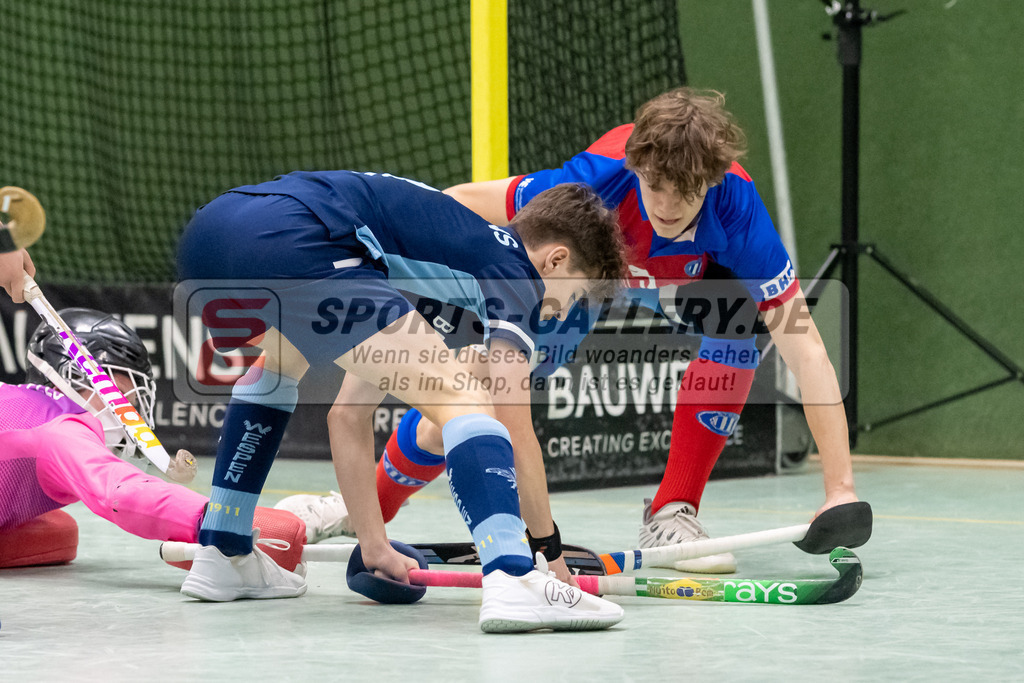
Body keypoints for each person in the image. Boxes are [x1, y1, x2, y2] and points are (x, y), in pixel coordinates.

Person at [278, 87, 860, 574]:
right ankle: (362, 511)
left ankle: (672, 512)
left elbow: (803, 344)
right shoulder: (593, 182)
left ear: (712, 181)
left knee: (737, 327)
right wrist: (428, 280)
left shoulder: (737, 207)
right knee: (472, 394)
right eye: (653, 185)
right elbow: (458, 205)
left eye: (685, 193)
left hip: (683, 283)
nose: (665, 203)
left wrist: (839, 489)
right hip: (591, 276)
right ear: (636, 167)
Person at [176, 170, 626, 632]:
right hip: (299, 235)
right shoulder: (513, 271)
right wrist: (547, 551)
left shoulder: (426, 261)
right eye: (578, 296)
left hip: (213, 235)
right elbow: (514, 423)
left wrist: (374, 546)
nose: (565, 312)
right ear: (555, 260)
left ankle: (223, 552)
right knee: (466, 395)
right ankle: (513, 577)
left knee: (278, 366)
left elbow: (348, 416)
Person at [0, 307, 305, 573]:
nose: (133, 401)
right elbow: (122, 494)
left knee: (57, 530)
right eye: (124, 381)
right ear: (75, 374)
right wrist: (219, 520)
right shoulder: (63, 429)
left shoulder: (29, 410)